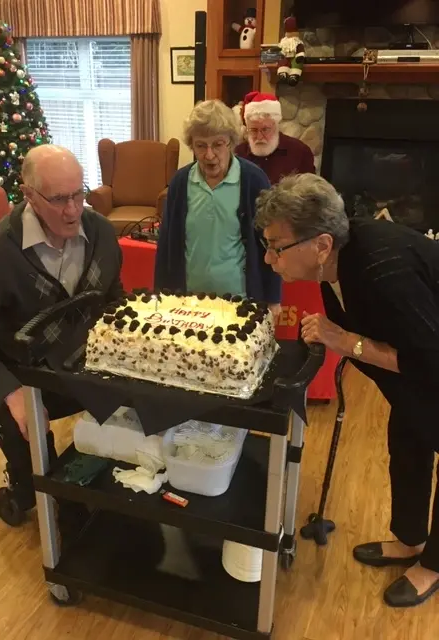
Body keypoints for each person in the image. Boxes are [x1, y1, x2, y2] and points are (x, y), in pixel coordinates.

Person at [255, 172, 439, 608]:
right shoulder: (335, 256)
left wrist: (346, 341)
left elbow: (429, 360)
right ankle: (411, 540)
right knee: (409, 440)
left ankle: (434, 564)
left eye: (276, 246)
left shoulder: (385, 271)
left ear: (320, 244)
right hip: (418, 360)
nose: (268, 258)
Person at [0, 144, 122, 517]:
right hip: (25, 370)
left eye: (78, 194)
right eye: (59, 199)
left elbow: (113, 297)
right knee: (26, 429)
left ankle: (109, 486)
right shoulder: (1, 252)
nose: (73, 210)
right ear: (29, 195)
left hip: (85, 358)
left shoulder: (100, 232)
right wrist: (11, 393)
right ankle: (36, 490)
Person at [155, 99, 281, 318]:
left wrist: (273, 298)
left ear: (231, 142)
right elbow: (166, 243)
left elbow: (271, 242)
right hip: (188, 304)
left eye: (218, 144)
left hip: (241, 302)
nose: (209, 155)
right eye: (200, 145)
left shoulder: (253, 180)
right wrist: (161, 295)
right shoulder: (180, 183)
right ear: (191, 145)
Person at [235, 91, 315, 184]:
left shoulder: (300, 152)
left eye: (265, 129)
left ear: (277, 126)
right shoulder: (238, 154)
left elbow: (311, 190)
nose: (259, 137)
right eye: (253, 130)